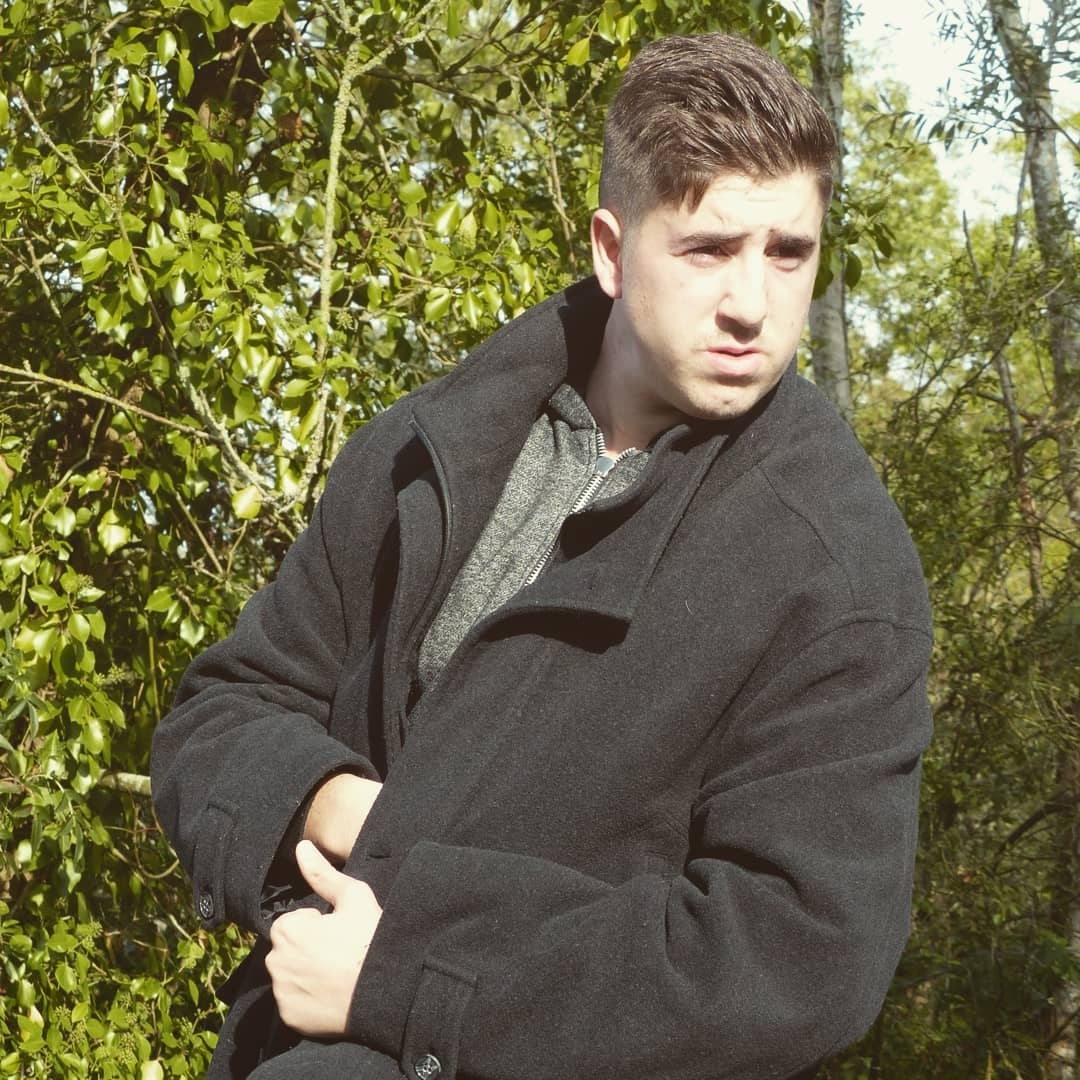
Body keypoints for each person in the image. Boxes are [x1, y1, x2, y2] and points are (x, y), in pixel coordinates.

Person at [150, 30, 933, 1080]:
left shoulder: (834, 566)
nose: (753, 303)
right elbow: (220, 713)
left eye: (788, 252)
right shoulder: (428, 449)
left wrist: (406, 975)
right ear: (612, 249)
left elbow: (798, 957)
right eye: (707, 249)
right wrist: (337, 808)